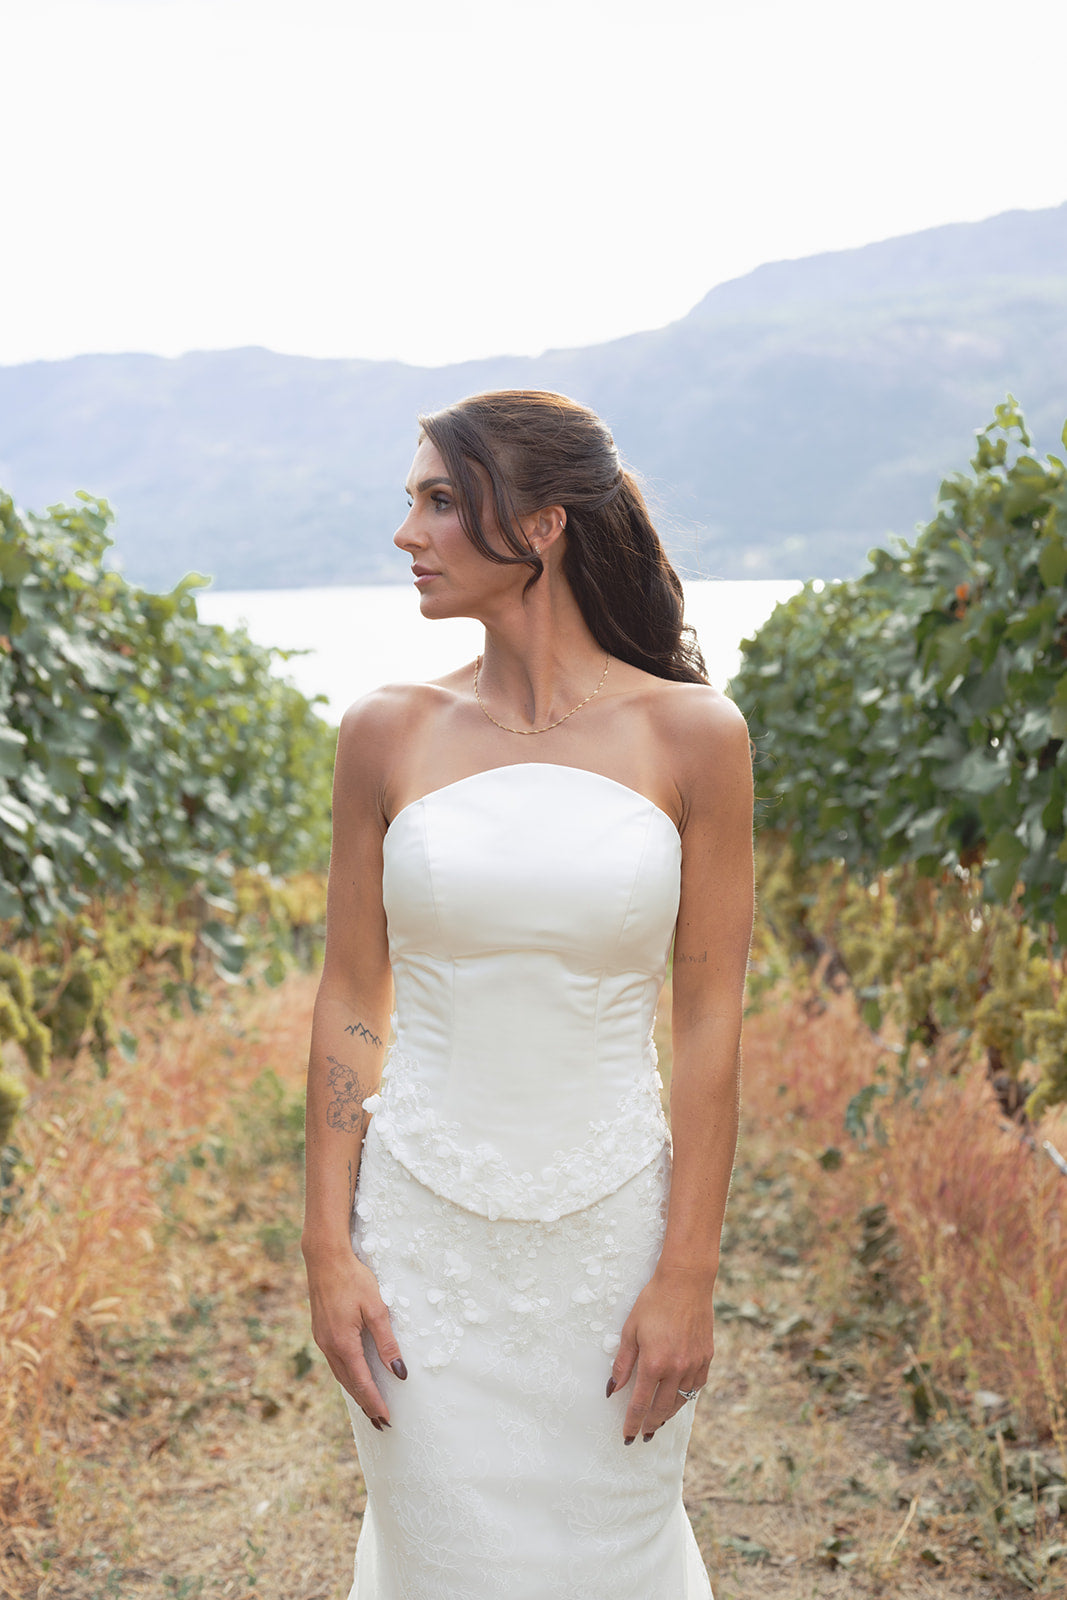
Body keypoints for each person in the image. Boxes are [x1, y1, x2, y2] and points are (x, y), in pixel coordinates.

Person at [301, 389, 753, 1599]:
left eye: (440, 500)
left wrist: (687, 1271)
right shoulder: (383, 733)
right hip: (420, 1246)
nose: (407, 532)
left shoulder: (694, 737)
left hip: (610, 1246)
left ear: (543, 524)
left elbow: (709, 1022)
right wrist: (325, 1247)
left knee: (612, 1560)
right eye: (412, 500)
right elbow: (352, 995)